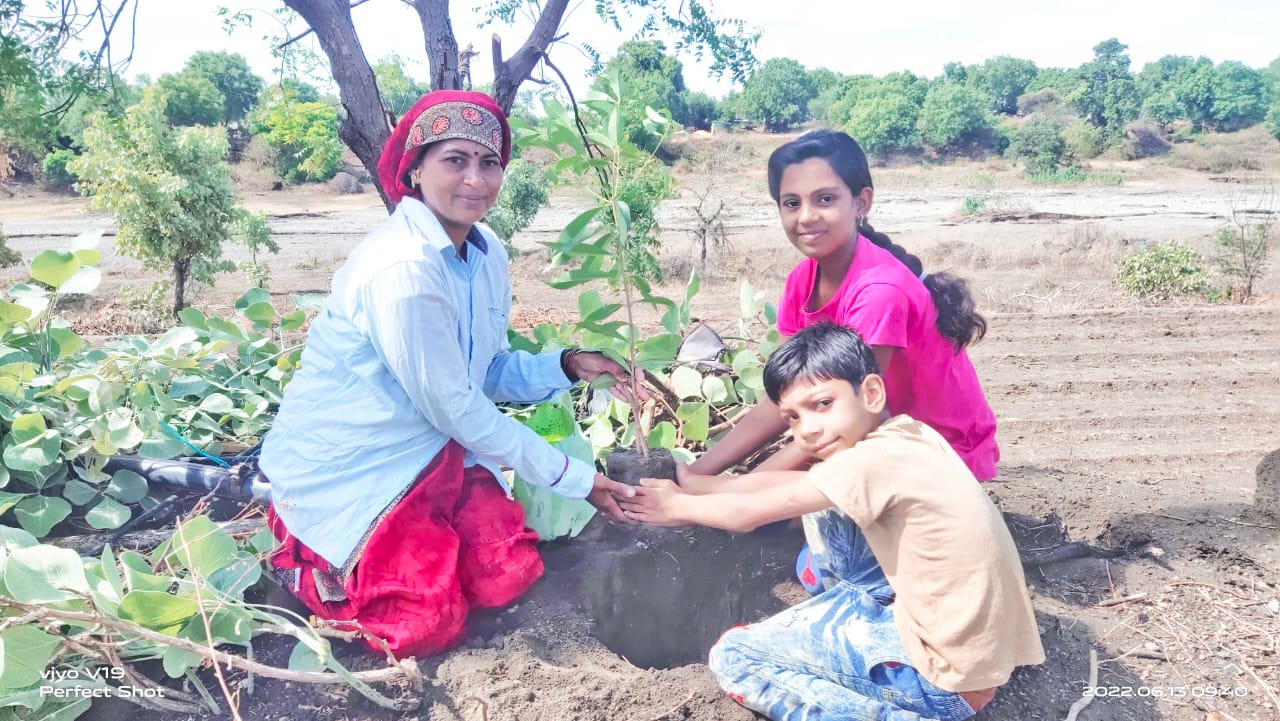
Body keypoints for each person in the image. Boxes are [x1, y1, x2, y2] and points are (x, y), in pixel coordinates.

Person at [258, 90, 642, 659]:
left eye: (489, 163)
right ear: (414, 171)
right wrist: (578, 478)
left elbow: (482, 372)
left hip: (433, 452)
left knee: (506, 573)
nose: (475, 179)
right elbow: (457, 407)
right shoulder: (402, 270)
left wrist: (566, 366)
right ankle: (310, 564)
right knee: (424, 628)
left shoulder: (486, 254)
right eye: (455, 160)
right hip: (361, 468)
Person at [620, 323, 1044, 721]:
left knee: (735, 656)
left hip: (942, 682)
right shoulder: (907, 436)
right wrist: (697, 483)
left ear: (872, 393)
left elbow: (744, 516)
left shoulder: (870, 462)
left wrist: (676, 507)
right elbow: (793, 485)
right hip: (979, 654)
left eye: (822, 404)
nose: (809, 428)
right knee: (824, 502)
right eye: (793, 417)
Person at [688, 129, 998, 482]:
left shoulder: (880, 292)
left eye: (824, 199)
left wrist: (728, 491)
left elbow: (848, 420)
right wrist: (695, 474)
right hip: (869, 436)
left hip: (938, 455)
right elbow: (783, 398)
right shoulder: (802, 281)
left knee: (762, 511)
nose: (805, 217)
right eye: (792, 203)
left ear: (861, 202)